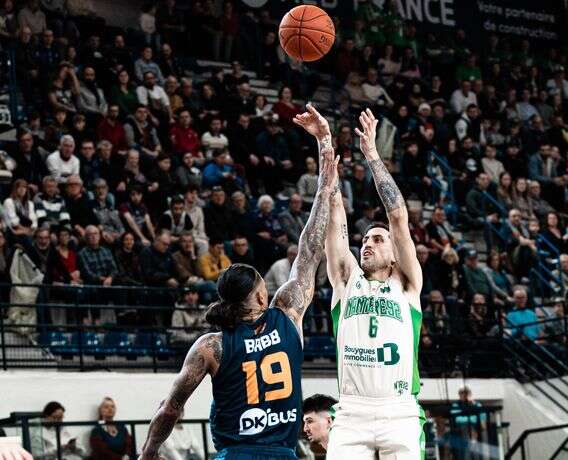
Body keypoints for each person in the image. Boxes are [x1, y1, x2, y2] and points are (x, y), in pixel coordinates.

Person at [140, 104, 337, 460]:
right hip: (282, 453)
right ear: (262, 298)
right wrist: (324, 147)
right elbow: (310, 244)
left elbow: (171, 408)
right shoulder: (287, 314)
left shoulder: (210, 347)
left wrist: (148, 453)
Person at [323, 109, 425, 458]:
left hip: (400, 409)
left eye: (378, 240)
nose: (368, 243)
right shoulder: (346, 280)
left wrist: (371, 155)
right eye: (365, 239)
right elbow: (334, 217)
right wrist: (326, 156)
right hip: (352, 411)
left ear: (396, 254)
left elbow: (397, 215)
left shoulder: (408, 284)